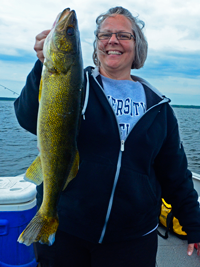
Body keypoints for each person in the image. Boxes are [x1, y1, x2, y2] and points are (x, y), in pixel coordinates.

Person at [14, 6, 200, 267]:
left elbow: (176, 174)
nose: (113, 41)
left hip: (133, 239)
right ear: (96, 45)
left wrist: (193, 223)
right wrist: (42, 66)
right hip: (69, 230)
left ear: (137, 47)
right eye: (105, 35)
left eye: (124, 35)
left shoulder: (160, 108)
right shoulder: (77, 86)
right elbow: (27, 118)